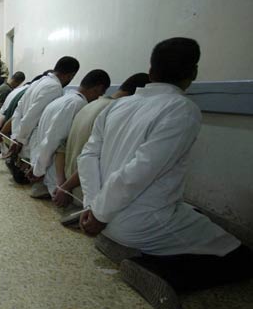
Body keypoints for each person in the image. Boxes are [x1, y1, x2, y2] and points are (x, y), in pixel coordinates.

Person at [78, 37, 252, 308]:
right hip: (137, 223)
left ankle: (120, 245)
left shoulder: (117, 106)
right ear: (192, 73)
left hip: (105, 217)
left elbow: (88, 156)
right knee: (241, 258)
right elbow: (139, 172)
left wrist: (93, 206)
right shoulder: (182, 109)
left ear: (150, 71)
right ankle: (159, 272)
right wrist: (100, 214)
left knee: (195, 215)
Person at [53, 73, 150, 208]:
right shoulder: (115, 112)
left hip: (69, 191)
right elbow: (93, 158)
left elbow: (61, 149)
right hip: (84, 196)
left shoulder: (88, 105)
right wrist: (65, 188)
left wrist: (62, 185)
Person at [26, 70, 111, 201]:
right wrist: (39, 171)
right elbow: (53, 141)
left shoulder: (63, 99)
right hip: (53, 177)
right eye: (101, 94)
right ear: (98, 88)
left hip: (44, 166)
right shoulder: (77, 104)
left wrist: (37, 166)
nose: (98, 98)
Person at [8, 57, 80, 159]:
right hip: (30, 143)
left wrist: (16, 135)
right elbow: (32, 116)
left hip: (22, 138)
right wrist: (19, 139)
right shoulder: (54, 87)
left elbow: (18, 110)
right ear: (70, 75)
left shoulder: (38, 82)